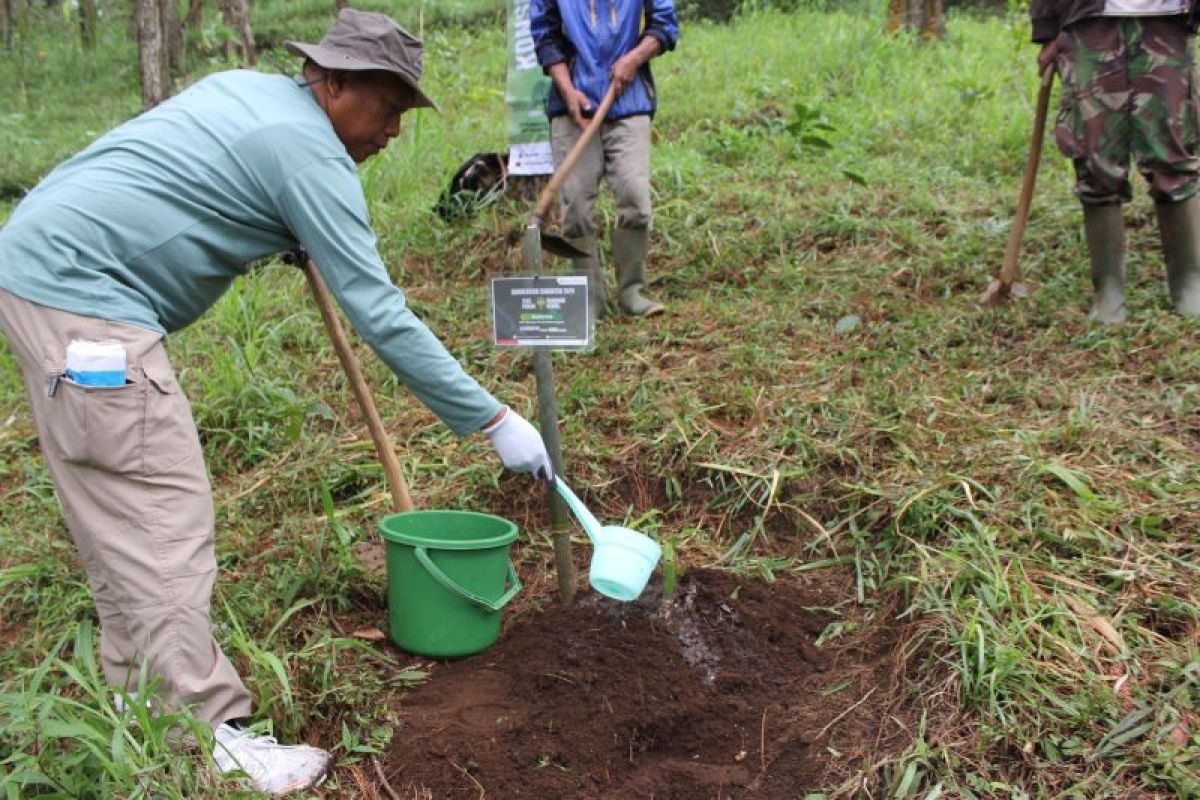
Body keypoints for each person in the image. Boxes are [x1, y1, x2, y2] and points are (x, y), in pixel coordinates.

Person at [0, 9, 553, 796]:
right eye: (386, 107)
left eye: (401, 112)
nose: (393, 130)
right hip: (87, 308)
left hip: (37, 275)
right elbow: (384, 314)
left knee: (123, 519)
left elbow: (200, 179)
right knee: (160, 513)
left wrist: (279, 228)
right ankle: (205, 737)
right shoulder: (308, 156)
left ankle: (142, 708)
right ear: (329, 84)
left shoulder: (251, 94)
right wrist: (492, 419)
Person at [1032, 0, 1200, 322]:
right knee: (1095, 156)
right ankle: (1108, 292)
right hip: (1088, 23)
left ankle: (1189, 283)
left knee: (1173, 150)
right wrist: (1047, 29)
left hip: (1168, 21)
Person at [530, 0, 680, 319]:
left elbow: (665, 24)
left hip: (630, 101)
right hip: (573, 105)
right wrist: (569, 92)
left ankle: (631, 291)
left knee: (634, 196)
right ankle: (589, 298)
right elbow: (545, 35)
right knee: (576, 207)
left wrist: (634, 58)